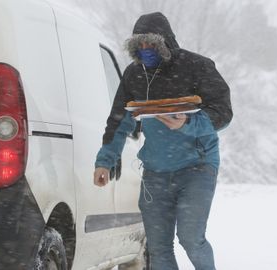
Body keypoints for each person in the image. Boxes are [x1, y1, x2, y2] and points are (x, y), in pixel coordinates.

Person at [93, 12, 232, 270]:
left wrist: (188, 123)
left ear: (165, 41)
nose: (145, 50)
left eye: (151, 44)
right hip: (156, 172)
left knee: (191, 239)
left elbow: (223, 112)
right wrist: (105, 161)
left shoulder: (197, 66)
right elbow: (119, 120)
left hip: (197, 167)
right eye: (139, 45)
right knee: (158, 249)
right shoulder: (135, 74)